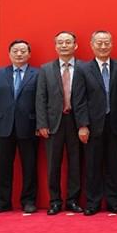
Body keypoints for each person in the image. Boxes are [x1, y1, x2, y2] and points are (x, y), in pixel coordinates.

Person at [0, 39, 39, 214]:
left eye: (23, 51)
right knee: (3, 167)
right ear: (9, 54)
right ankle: (2, 202)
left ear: (29, 54)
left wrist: (40, 124)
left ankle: (28, 201)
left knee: (29, 166)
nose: (19, 54)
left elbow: (41, 102)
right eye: (15, 51)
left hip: (29, 126)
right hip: (3, 126)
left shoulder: (37, 74)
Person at [72, 30, 117, 215]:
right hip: (92, 125)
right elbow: (79, 100)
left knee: (114, 165)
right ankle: (93, 203)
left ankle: (114, 202)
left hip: (115, 124)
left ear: (112, 44)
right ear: (92, 45)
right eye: (99, 43)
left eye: (106, 43)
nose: (103, 46)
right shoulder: (83, 69)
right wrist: (82, 125)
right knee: (92, 166)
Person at [35, 31, 83, 215]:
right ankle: (55, 201)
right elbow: (40, 98)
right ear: (55, 46)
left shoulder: (84, 67)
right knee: (53, 164)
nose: (64, 45)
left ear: (75, 45)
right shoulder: (46, 69)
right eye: (60, 42)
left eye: (68, 42)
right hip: (53, 123)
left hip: (76, 122)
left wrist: (85, 124)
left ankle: (73, 200)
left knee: (75, 163)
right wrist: (42, 124)